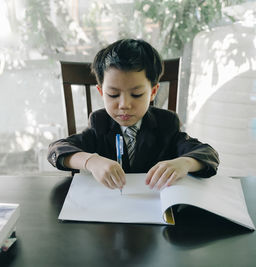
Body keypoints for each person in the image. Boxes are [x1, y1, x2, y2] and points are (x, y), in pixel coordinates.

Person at [47, 38, 219, 191]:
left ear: (152, 92)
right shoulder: (100, 123)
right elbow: (56, 150)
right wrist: (90, 161)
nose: (124, 105)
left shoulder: (166, 124)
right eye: (113, 95)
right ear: (101, 92)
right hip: (108, 211)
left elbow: (208, 154)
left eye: (136, 95)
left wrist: (185, 163)